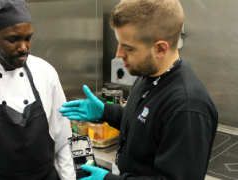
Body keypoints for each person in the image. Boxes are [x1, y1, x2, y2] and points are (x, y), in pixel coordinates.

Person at [60, 0, 218, 179]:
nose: (118, 54)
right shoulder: (148, 74)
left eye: (128, 48)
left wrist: (108, 179)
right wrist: (107, 112)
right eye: (119, 43)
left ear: (160, 48)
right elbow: (144, 125)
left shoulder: (187, 107)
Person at [0, 0, 75, 179]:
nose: (23, 47)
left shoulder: (45, 72)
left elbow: (64, 140)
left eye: (27, 38)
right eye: (13, 40)